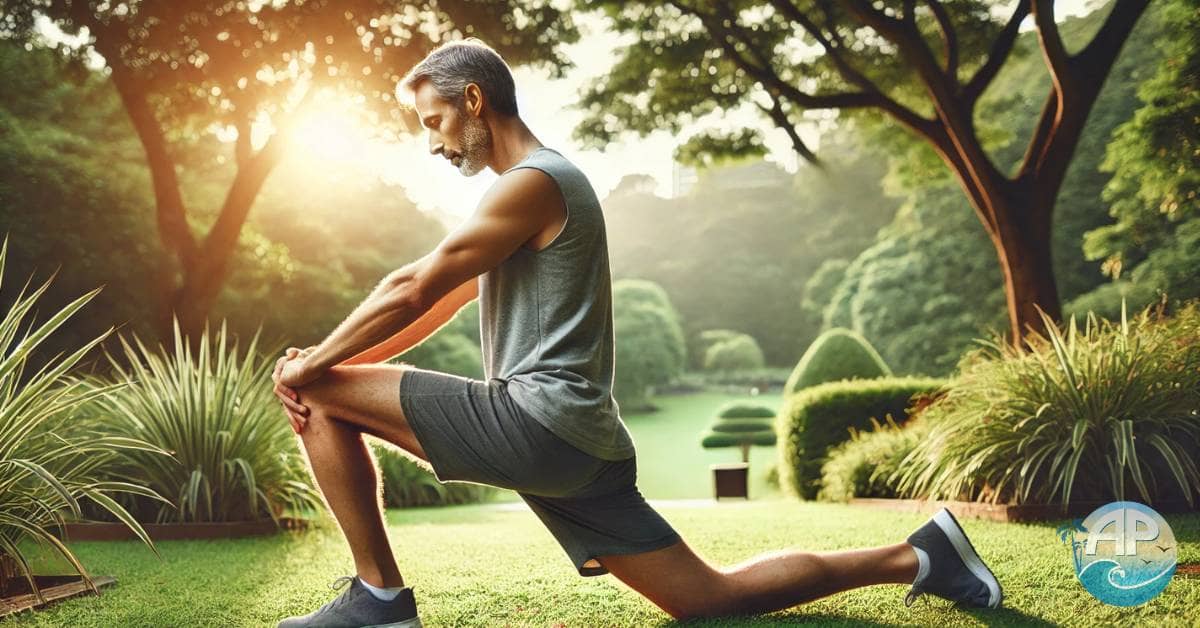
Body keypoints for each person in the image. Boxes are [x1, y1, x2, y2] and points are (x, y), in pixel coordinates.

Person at [270, 38, 1003, 628]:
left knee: (326, 396)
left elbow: (415, 284)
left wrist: (315, 368)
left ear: (473, 100)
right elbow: (448, 299)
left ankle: (380, 598)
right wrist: (331, 362)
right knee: (709, 598)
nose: (431, 143)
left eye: (433, 121)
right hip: (581, 443)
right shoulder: (534, 191)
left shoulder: (534, 182)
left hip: (538, 423)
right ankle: (920, 556)